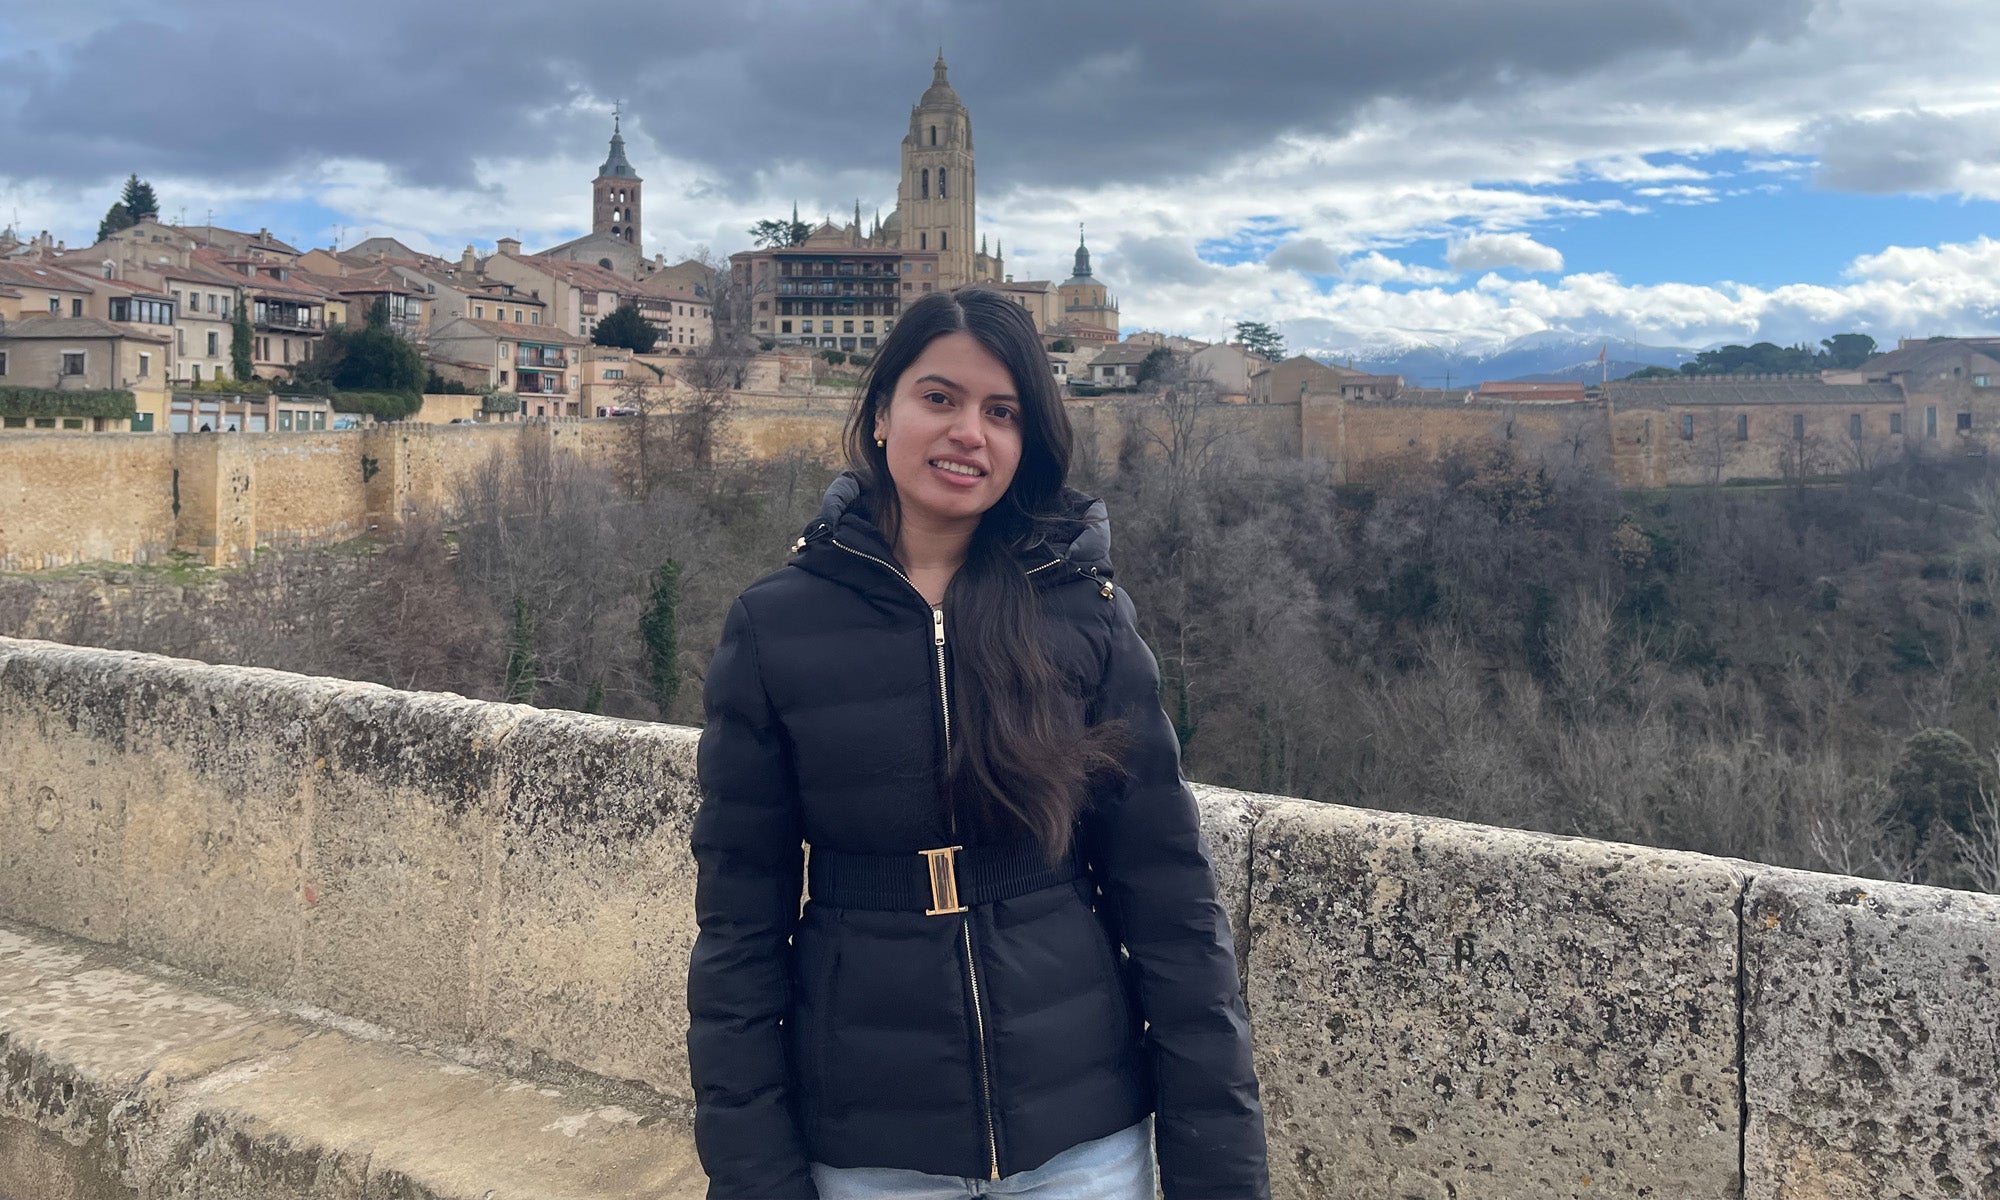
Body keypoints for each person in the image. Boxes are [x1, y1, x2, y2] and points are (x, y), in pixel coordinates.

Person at [687, 287, 1268, 1199]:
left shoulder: (1089, 617)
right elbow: (737, 935)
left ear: (1028, 443)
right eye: (940, 398)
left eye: (1003, 413)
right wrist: (754, 1173)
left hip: (1084, 1141)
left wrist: (1221, 1172)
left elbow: (1172, 907)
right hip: (868, 1143)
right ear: (881, 414)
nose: (970, 432)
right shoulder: (773, 628)